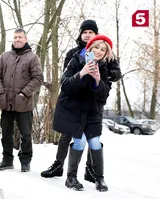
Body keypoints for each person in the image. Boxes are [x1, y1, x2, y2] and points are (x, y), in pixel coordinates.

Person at [41, 20, 121, 181]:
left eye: (91, 32)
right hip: (75, 100)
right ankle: (59, 164)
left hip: (95, 100)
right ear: (81, 34)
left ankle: (90, 170)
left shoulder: (105, 52)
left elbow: (117, 73)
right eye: (85, 32)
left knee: (93, 137)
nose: (87, 34)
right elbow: (66, 76)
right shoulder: (74, 54)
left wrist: (104, 75)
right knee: (68, 134)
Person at [52, 35, 116, 192]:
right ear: (90, 47)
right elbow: (65, 84)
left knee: (95, 142)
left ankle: (99, 178)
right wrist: (82, 73)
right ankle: (71, 177)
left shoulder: (104, 68)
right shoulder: (76, 60)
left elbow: (104, 95)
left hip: (92, 111)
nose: (99, 51)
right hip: (74, 110)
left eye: (103, 49)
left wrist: (98, 80)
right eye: (96, 47)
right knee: (79, 142)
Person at [0, 28, 44, 172]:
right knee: (5, 135)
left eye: (20, 37)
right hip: (6, 102)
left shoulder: (32, 57)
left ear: (26, 39)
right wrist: (1, 93)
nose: (17, 39)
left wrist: (23, 94)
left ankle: (25, 160)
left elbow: (38, 78)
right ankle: (7, 160)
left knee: (26, 134)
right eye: (15, 37)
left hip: (23, 103)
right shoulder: (5, 56)